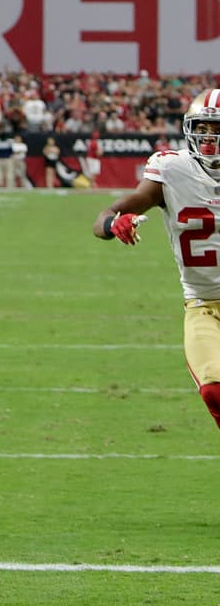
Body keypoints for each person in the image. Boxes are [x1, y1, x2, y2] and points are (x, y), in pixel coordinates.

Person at [93, 89, 220, 434]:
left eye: (217, 130)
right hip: (204, 304)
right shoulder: (173, 170)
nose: (209, 139)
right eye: (203, 129)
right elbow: (107, 214)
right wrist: (114, 223)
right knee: (214, 388)